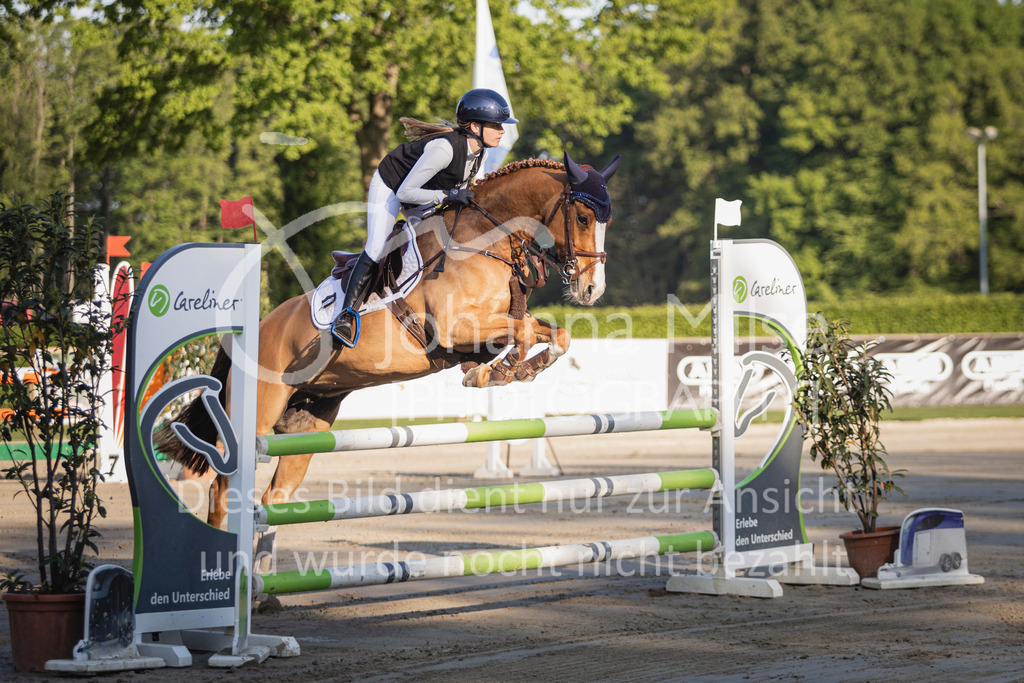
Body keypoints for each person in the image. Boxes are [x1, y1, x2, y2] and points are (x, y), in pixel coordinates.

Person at [331, 88, 518, 347]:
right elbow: (406, 191)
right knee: (376, 247)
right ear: (475, 126)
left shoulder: (480, 152)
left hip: (423, 192)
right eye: (496, 125)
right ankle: (345, 315)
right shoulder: (445, 148)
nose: (502, 130)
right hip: (392, 187)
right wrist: (449, 195)